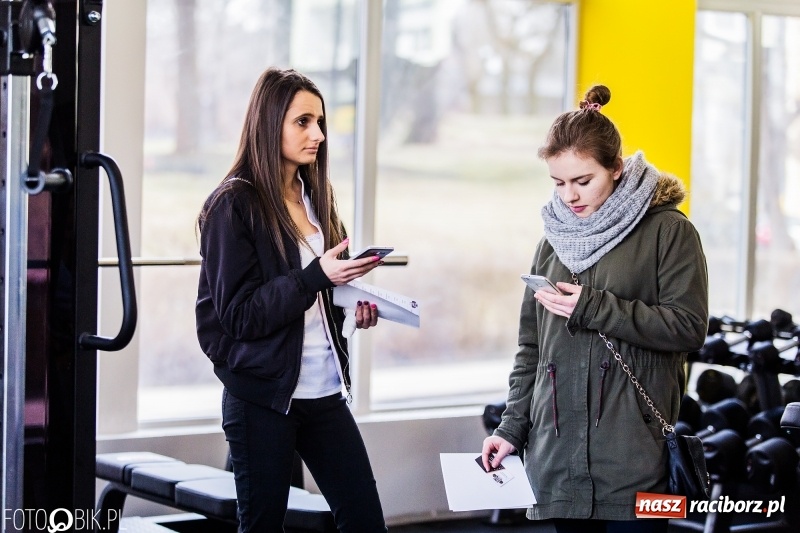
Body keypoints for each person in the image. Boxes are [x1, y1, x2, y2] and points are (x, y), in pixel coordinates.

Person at [482, 85, 708, 533]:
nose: (569, 196)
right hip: (557, 459)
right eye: (558, 182)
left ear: (616, 168)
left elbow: (688, 328)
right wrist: (510, 429)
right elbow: (532, 351)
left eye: (583, 181)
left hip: (638, 460)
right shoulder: (552, 241)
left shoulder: (670, 231)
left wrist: (594, 307)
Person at [195, 67, 387, 532]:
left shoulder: (316, 196)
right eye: (303, 122)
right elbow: (239, 315)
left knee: (365, 523)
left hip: (324, 390)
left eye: (320, 122)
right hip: (263, 399)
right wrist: (315, 276)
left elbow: (321, 295)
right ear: (269, 123)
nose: (318, 134)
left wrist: (352, 309)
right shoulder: (232, 205)